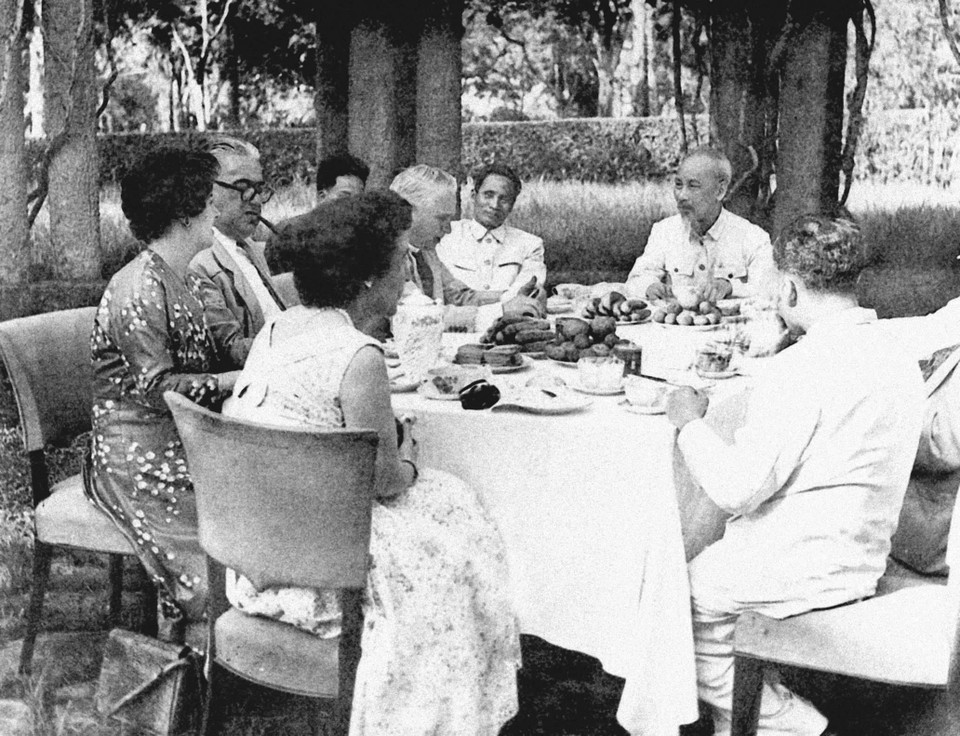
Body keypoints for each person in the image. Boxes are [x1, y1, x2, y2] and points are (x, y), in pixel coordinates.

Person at [222, 191, 521, 735]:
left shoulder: (276, 329)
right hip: (320, 567)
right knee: (461, 528)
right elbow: (384, 482)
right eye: (400, 263)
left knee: (450, 506)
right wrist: (407, 452)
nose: (407, 277)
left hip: (258, 545)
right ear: (366, 279)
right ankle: (436, 715)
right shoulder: (356, 355)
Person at [667, 215, 925, 736]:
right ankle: (748, 719)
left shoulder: (801, 369)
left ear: (787, 286)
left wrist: (689, 424)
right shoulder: (897, 356)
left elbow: (737, 489)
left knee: (672, 607)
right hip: (861, 552)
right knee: (708, 579)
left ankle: (792, 725)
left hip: (798, 564)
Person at [85, 146, 242, 624]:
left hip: (186, 435)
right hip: (136, 449)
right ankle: (193, 669)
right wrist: (228, 381)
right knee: (217, 567)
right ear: (183, 213)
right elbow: (156, 389)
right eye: (208, 200)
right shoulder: (138, 286)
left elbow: (225, 347)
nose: (217, 209)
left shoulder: (186, 277)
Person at [389, 164, 545, 331]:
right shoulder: (385, 255)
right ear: (408, 212)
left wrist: (517, 298)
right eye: (442, 219)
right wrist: (501, 310)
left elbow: (458, 296)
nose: (448, 229)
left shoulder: (425, 252)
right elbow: (416, 317)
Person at [187, 136, 295, 366]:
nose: (256, 201)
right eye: (243, 187)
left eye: (259, 189)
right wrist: (303, 343)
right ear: (205, 190)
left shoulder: (247, 247)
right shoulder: (197, 263)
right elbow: (229, 351)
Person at [626, 147, 775, 302]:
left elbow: (770, 288)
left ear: (720, 191)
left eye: (693, 186)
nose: (682, 196)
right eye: (678, 184)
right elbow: (636, 280)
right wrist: (649, 286)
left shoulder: (752, 238)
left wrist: (730, 286)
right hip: (674, 325)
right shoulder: (664, 232)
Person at [437, 163, 546, 299]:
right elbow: (441, 290)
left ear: (512, 205)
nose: (494, 205)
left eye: (504, 199)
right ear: (473, 196)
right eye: (488, 195)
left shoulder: (530, 244)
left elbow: (527, 293)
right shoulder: (446, 235)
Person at [265, 152, 371, 273]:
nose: (353, 205)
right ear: (322, 196)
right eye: (344, 197)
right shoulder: (288, 235)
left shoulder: (364, 241)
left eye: (359, 199)